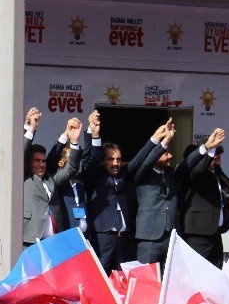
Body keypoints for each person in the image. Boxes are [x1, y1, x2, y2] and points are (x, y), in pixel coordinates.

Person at [81, 117, 165, 273]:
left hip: (124, 239)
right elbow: (93, 157)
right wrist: (95, 135)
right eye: (111, 159)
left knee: (123, 279)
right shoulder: (95, 175)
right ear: (103, 161)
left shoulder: (125, 174)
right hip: (103, 238)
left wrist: (155, 138)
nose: (115, 163)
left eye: (118, 159)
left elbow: (140, 157)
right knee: (101, 277)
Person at [23, 108, 82, 247]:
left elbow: (71, 168)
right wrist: (31, 128)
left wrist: (73, 141)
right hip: (30, 241)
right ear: (28, 162)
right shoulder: (25, 178)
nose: (41, 164)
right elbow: (22, 152)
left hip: (54, 241)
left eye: (43, 161)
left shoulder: (52, 180)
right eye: (37, 161)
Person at [180, 129, 229, 268]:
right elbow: (198, 170)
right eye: (213, 157)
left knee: (216, 269)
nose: (216, 160)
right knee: (196, 270)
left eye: (218, 157)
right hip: (198, 232)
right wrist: (210, 150)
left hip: (216, 231)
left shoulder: (217, 171)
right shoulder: (194, 173)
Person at [133, 120, 180, 266]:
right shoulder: (142, 173)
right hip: (149, 237)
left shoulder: (171, 174)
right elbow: (147, 162)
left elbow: (188, 166)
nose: (170, 156)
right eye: (166, 153)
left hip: (171, 236)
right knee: (147, 281)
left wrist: (207, 148)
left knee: (171, 282)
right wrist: (164, 142)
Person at [47, 111, 99, 243]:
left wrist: (93, 133)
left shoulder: (81, 180)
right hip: (65, 239)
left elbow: (94, 158)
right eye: (72, 160)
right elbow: (52, 158)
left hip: (85, 239)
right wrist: (67, 135)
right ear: (61, 163)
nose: (76, 163)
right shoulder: (55, 182)